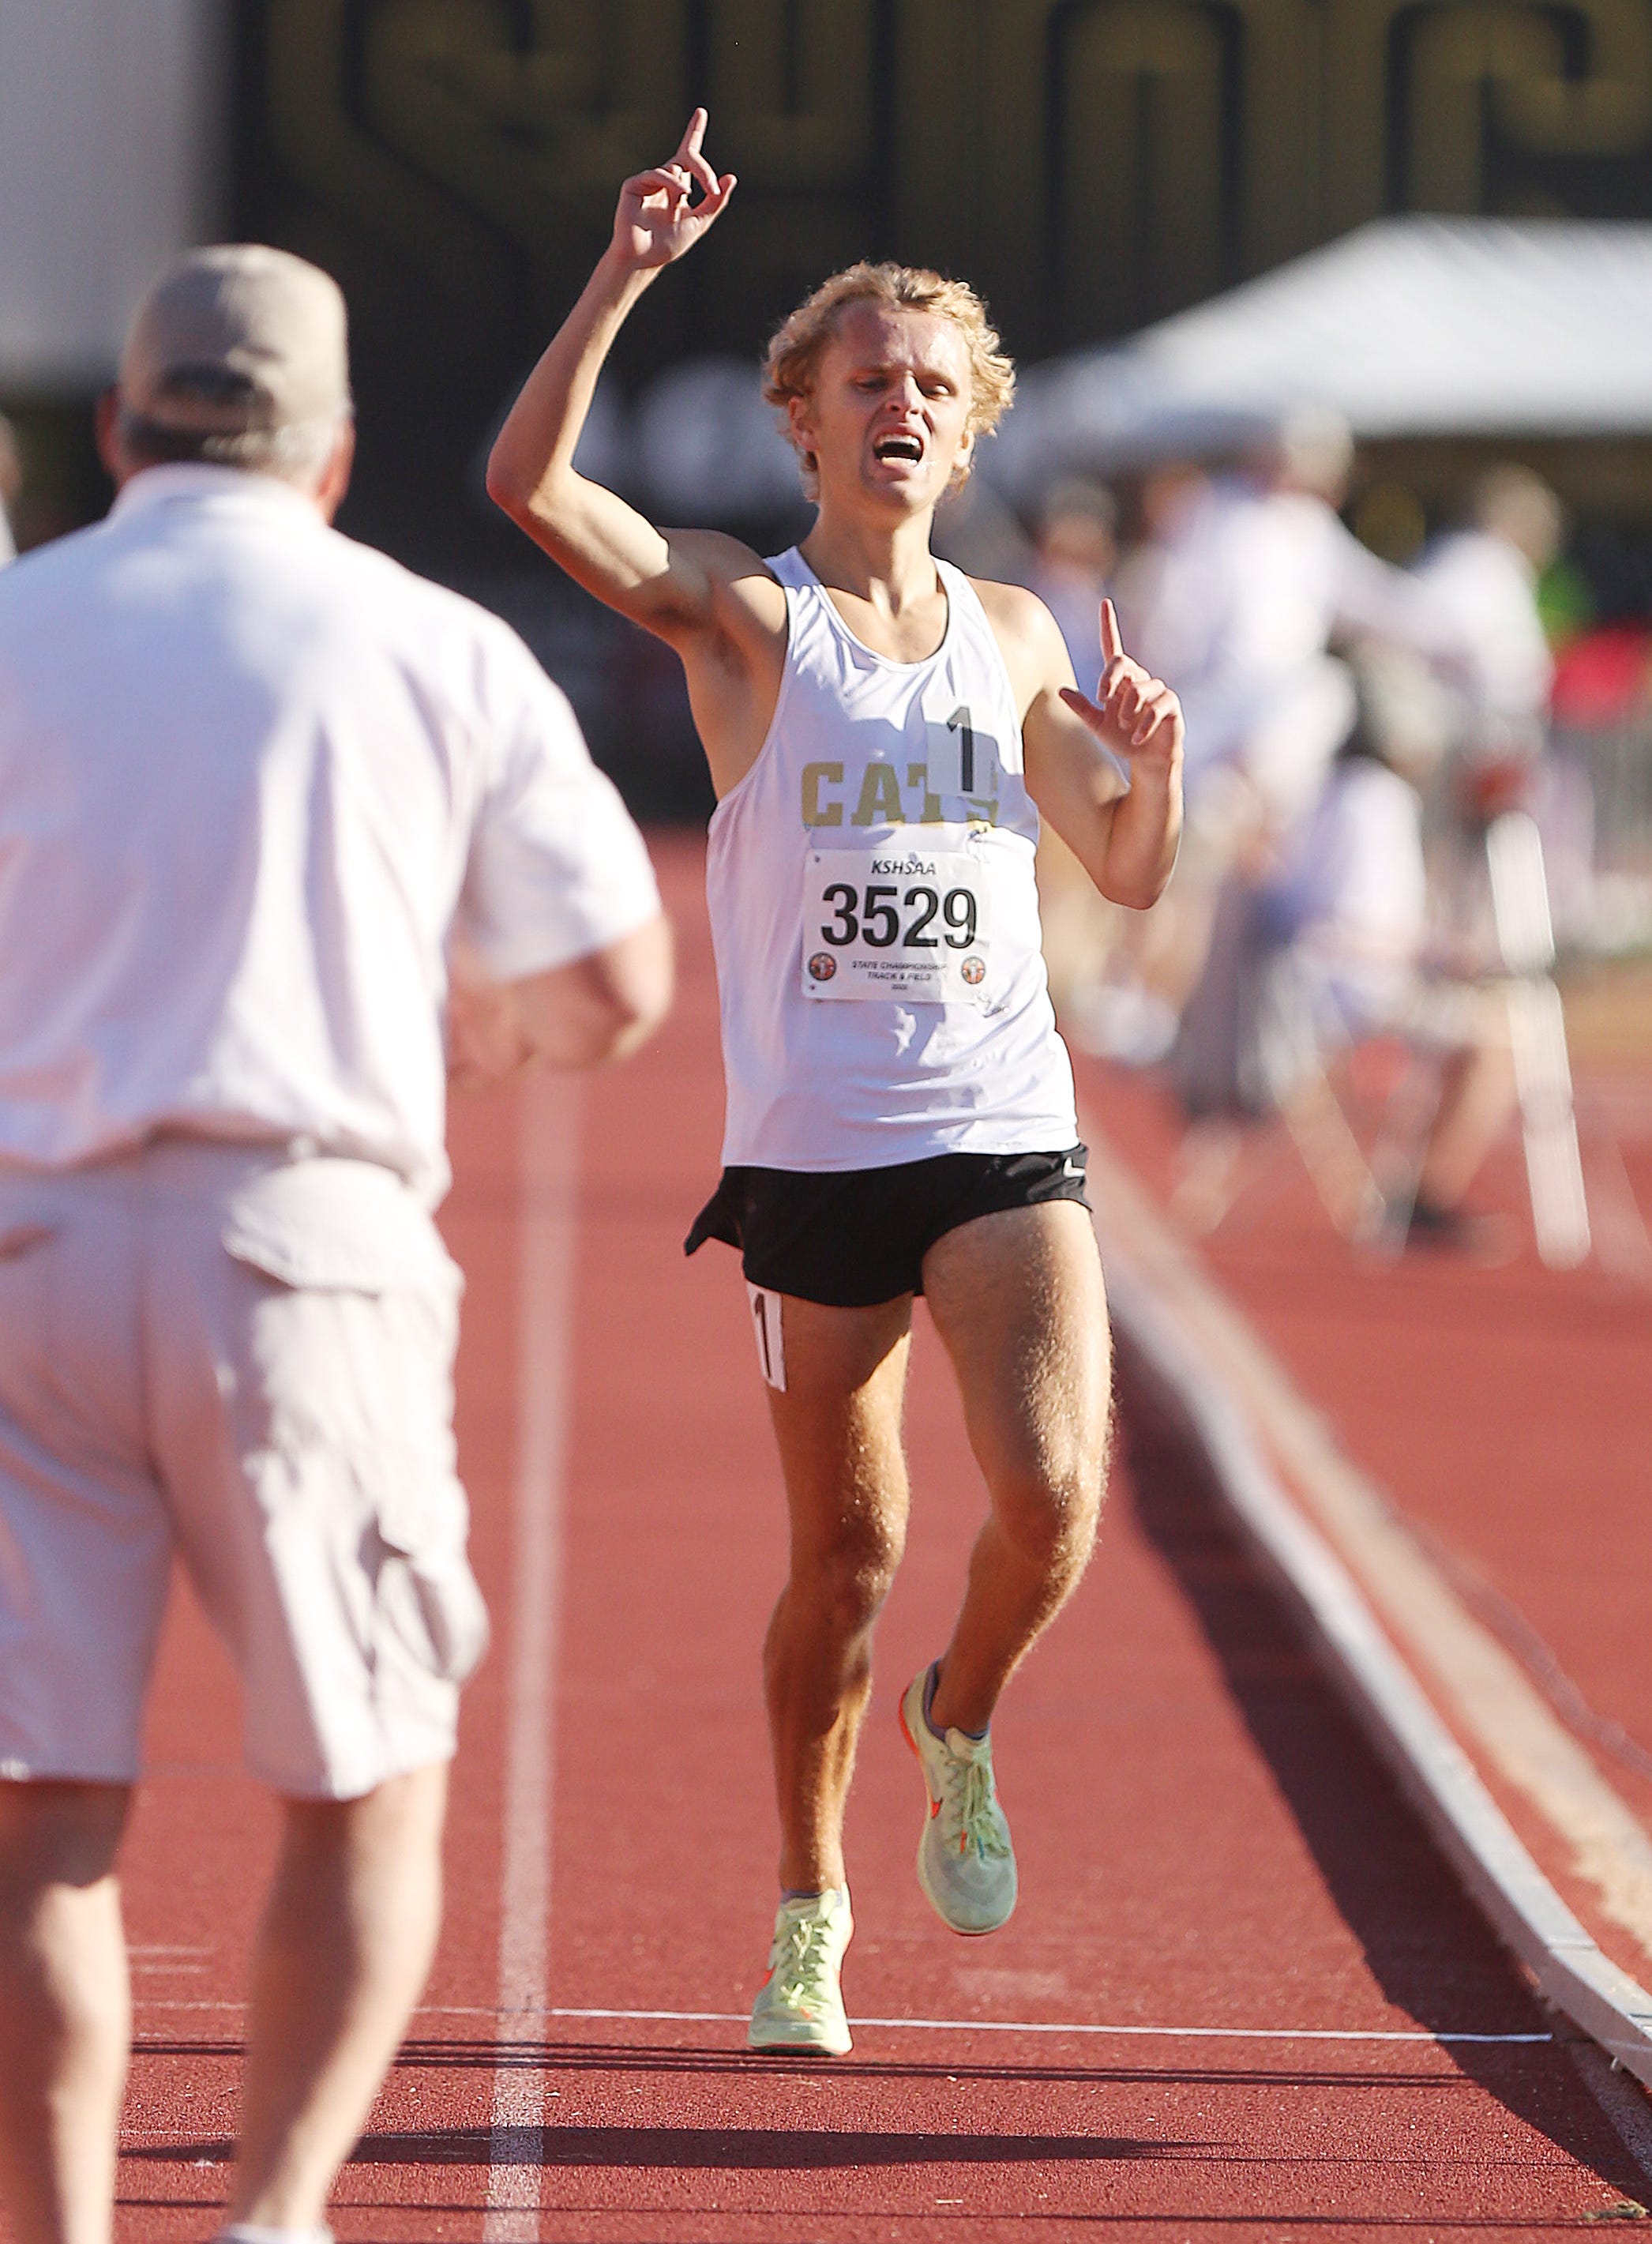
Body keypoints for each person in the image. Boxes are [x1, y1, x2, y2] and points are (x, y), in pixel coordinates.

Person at [488, 112, 1183, 2057]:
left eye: (934, 385)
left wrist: (1154, 766)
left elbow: (1118, 868)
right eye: (866, 376)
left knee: (1049, 1497)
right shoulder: (745, 615)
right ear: (803, 418)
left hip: (998, 1126)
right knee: (843, 1554)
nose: (901, 401)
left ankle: (956, 1721)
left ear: (970, 437)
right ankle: (810, 1905)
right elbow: (530, 483)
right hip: (813, 1161)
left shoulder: (1019, 633)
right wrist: (626, 270)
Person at [0, 245, 671, 2244]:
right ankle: (274, 2214)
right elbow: (613, 984)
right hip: (303, 1242)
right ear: (336, 447)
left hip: (26, 1237)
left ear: (121, 427)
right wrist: (496, 1019)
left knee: (43, 1812)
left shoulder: (18, 626)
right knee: (363, 1770)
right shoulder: (431, 642)